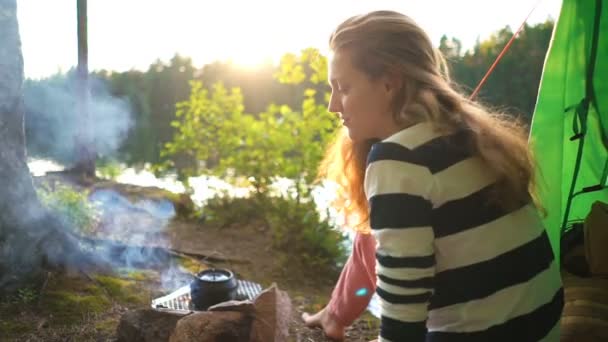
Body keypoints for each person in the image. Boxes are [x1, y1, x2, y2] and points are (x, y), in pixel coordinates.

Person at [306, 10, 564, 342]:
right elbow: (372, 238)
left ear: (390, 82)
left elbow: (403, 316)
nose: (332, 105)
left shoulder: (397, 159)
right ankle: (334, 314)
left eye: (343, 87)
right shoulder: (468, 135)